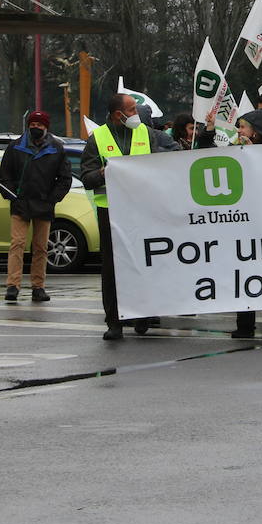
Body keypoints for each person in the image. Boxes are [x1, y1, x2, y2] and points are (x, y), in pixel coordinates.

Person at [79, 93, 179, 340]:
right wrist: (103, 173)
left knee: (144, 262)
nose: (137, 114)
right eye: (132, 110)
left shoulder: (145, 132)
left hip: (142, 210)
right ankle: (114, 322)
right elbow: (87, 178)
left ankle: (143, 315)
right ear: (117, 115)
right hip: (111, 212)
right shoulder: (98, 139)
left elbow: (158, 167)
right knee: (112, 269)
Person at [195, 108, 262, 338]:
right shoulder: (234, 153)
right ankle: (245, 324)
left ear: (256, 133)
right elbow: (207, 155)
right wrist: (209, 130)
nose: (239, 131)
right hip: (239, 223)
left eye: (243, 127)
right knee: (243, 274)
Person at [0, 110, 73, 304]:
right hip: (20, 203)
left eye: (40, 125)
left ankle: (38, 287)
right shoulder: (15, 147)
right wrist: (10, 194)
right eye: (33, 124)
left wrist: (52, 199)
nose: (36, 128)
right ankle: (12, 285)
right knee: (17, 243)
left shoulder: (56, 148)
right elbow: (4, 175)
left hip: (44, 205)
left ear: (46, 127)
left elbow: (65, 179)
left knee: (40, 248)